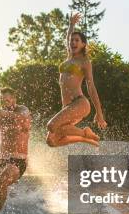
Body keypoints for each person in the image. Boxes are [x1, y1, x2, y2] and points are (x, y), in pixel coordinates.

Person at [46, 13, 107, 147]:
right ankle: (85, 138)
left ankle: (85, 132)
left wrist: (99, 113)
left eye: (77, 40)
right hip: (67, 106)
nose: (73, 42)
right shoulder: (69, 57)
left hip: (79, 103)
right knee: (52, 141)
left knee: (51, 125)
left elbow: (91, 87)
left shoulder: (84, 62)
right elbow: (68, 37)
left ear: (83, 44)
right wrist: (71, 25)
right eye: (72, 40)